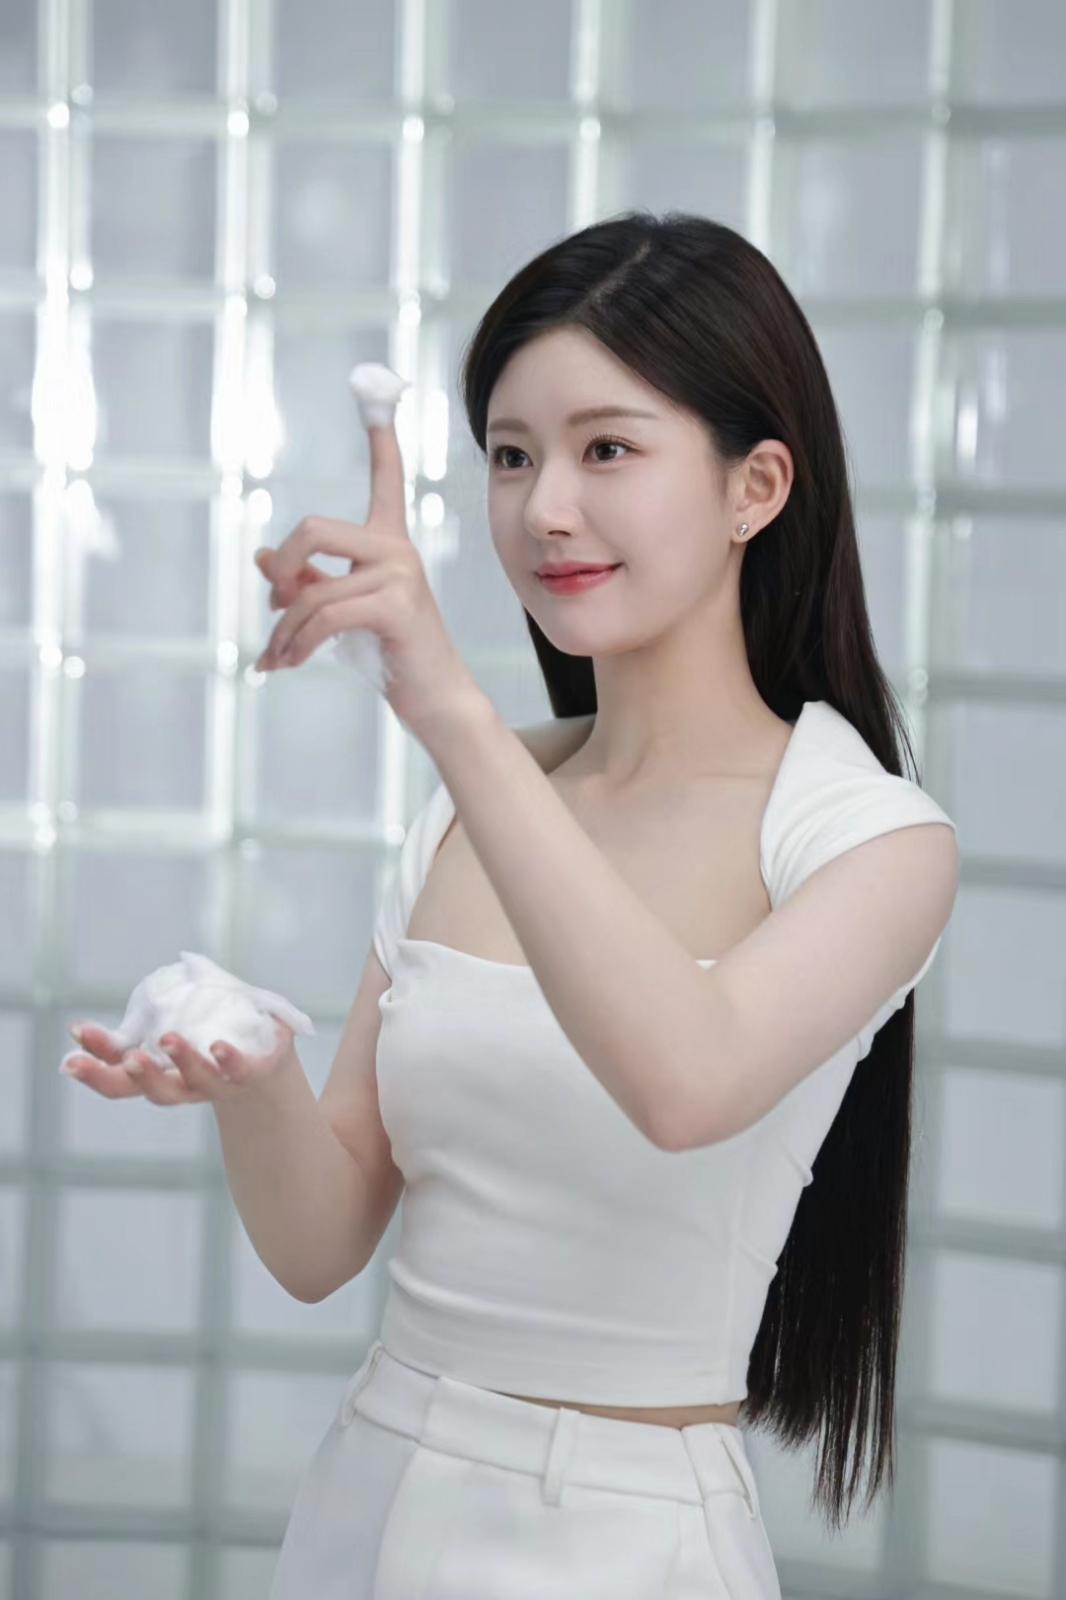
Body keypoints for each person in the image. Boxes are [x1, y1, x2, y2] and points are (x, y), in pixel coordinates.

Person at [68, 211, 959, 1597]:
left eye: (606, 449)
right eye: (509, 454)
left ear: (755, 485)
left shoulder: (870, 841)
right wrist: (252, 1071)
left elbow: (686, 1081)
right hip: (367, 1491)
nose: (544, 509)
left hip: (619, 1538)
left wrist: (449, 711)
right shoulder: (471, 807)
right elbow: (319, 1245)